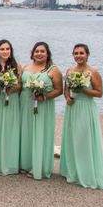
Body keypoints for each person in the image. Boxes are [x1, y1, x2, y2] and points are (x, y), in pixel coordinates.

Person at [60, 44, 103, 189]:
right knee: (72, 138)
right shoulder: (69, 71)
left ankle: (87, 172)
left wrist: (83, 90)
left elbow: (99, 93)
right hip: (72, 108)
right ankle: (72, 170)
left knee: (84, 139)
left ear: (87, 54)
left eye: (81, 53)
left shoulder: (93, 72)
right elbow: (65, 89)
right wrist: (67, 97)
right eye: (76, 53)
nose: (78, 55)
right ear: (73, 55)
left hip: (86, 108)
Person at [19, 42, 63, 180]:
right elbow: (20, 85)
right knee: (26, 132)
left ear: (47, 53)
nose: (39, 53)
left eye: (42, 51)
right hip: (25, 103)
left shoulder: (53, 69)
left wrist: (44, 96)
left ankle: (39, 166)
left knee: (39, 132)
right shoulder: (26, 67)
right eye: (36, 51)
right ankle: (26, 163)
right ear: (32, 53)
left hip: (42, 105)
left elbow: (59, 90)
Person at [0, 40, 22, 175]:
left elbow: (20, 85)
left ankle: (10, 163)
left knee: (10, 129)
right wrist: (2, 87)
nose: (5, 51)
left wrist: (11, 89)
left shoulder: (17, 65)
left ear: (11, 51)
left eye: (7, 49)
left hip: (12, 100)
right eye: (2, 49)